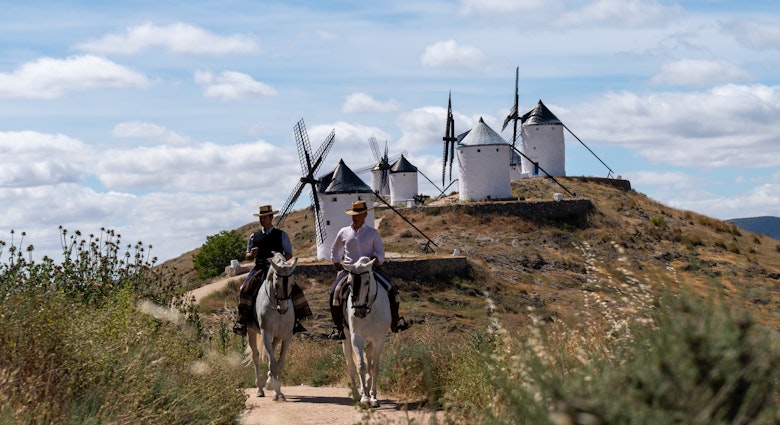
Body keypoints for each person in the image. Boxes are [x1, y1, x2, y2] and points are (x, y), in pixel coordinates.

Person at [327, 200, 409, 340]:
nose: (355, 217)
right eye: (353, 214)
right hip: (350, 270)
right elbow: (334, 250)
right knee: (334, 293)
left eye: (358, 214)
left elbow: (380, 254)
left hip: (370, 269)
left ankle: (395, 321)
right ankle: (338, 328)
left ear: (365, 215)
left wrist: (373, 261)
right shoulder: (344, 232)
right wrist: (337, 265)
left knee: (392, 288)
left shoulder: (373, 233)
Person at [232, 205, 312, 337]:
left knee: (295, 289)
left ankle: (297, 321)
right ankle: (242, 321)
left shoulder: (281, 235)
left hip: (278, 270)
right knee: (244, 289)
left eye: (264, 217)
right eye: (261, 218)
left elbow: (289, 254)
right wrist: (251, 254)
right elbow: (247, 255)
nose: (262, 220)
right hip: (259, 268)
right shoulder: (254, 236)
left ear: (271, 218)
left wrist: (277, 262)